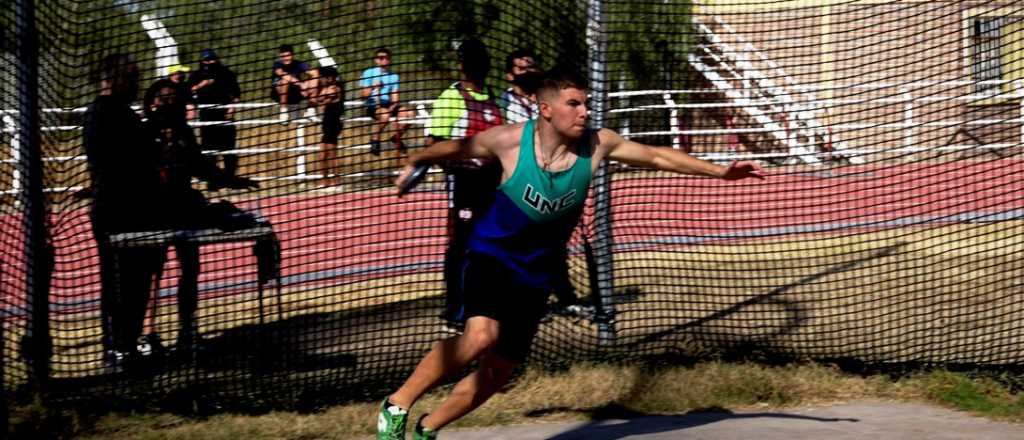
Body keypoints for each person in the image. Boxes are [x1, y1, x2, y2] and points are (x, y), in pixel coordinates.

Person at [379, 67, 764, 438]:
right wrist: (417, 158)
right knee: (480, 337)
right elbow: (457, 147)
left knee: (498, 372)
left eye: (586, 104)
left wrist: (721, 172)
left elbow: (656, 156)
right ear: (546, 108)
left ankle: (427, 429)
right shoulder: (509, 141)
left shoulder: (597, 145)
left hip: (537, 273)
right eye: (574, 104)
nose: (584, 112)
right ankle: (396, 405)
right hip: (492, 256)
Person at [142, 78, 259, 353]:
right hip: (154, 212)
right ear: (151, 102)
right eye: (162, 97)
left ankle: (187, 330)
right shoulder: (144, 133)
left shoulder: (184, 132)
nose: (168, 102)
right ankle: (148, 334)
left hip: (185, 209)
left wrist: (232, 180)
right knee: (153, 274)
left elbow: (201, 167)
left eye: (173, 97)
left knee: (190, 268)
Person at [83, 54, 167, 372]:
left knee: (138, 283)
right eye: (130, 77)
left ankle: (127, 347)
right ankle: (117, 350)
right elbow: (124, 158)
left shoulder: (121, 112)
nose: (136, 84)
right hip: (116, 212)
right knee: (120, 283)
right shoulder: (103, 112)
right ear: (111, 79)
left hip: (134, 211)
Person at [426, 39, 506, 334]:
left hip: (493, 185)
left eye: (480, 59)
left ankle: (486, 307)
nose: (476, 65)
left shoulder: (493, 97)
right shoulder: (450, 98)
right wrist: (461, 166)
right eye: (469, 60)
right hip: (463, 186)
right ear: (461, 65)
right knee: (463, 246)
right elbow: (433, 145)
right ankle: (457, 311)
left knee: (493, 245)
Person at [190, 48, 242, 185]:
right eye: (206, 60)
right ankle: (212, 179)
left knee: (228, 148)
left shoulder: (226, 73)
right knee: (208, 148)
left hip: (224, 115)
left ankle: (230, 178)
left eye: (211, 59)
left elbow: (236, 93)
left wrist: (232, 107)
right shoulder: (196, 75)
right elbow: (188, 91)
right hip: (206, 116)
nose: (209, 62)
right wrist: (202, 84)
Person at [359, 47, 410, 157]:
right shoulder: (369, 73)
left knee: (409, 114)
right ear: (376, 60)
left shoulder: (394, 76)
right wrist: (373, 87)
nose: (384, 60)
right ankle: (375, 139)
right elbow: (363, 95)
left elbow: (395, 96)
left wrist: (394, 105)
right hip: (373, 102)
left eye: (387, 58)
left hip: (387, 103)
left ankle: (396, 138)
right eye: (381, 58)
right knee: (385, 115)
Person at [306, 66, 344, 185]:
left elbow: (320, 101)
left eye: (324, 77)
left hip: (334, 123)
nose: (322, 79)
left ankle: (337, 181)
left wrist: (312, 98)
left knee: (332, 154)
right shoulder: (325, 88)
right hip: (326, 123)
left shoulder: (334, 88)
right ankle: (325, 181)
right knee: (322, 155)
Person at [500, 48, 541, 123]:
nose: (527, 72)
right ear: (510, 75)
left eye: (531, 67)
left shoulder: (545, 96)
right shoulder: (506, 99)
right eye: (522, 68)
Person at [271, 44, 308, 120]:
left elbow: (313, 72)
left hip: (295, 93)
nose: (286, 58)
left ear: (292, 55)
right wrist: (300, 84)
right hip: (278, 94)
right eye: (283, 56)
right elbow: (282, 74)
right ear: (280, 56)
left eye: (288, 55)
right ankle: (283, 110)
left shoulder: (298, 64)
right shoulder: (277, 64)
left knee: (313, 80)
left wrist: (307, 83)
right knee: (285, 81)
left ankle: (310, 111)